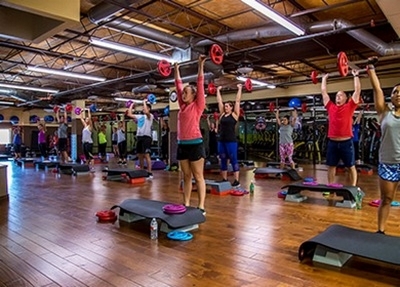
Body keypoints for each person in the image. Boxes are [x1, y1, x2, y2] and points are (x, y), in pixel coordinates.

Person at [367, 59, 400, 234]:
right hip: (388, 162)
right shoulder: (384, 113)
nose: (398, 94)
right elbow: (377, 89)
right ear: (391, 96)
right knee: (386, 199)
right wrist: (371, 70)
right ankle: (380, 231)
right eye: (395, 92)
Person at [174, 55, 206, 214]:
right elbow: (178, 85)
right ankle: (186, 204)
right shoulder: (181, 106)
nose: (183, 94)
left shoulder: (198, 105)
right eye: (183, 93)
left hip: (195, 144)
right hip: (182, 145)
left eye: (186, 93)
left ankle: (201, 206)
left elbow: (200, 84)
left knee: (198, 176)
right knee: (186, 177)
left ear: (193, 95)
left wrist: (200, 64)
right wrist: (176, 69)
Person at [321, 70, 360, 186]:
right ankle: (331, 186)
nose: (338, 96)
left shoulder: (350, 106)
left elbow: (357, 91)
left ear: (346, 98)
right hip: (332, 142)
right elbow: (324, 92)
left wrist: (356, 76)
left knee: (351, 166)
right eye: (336, 95)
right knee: (331, 166)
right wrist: (324, 79)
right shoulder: (330, 107)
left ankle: (353, 188)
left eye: (340, 95)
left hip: (346, 142)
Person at [216, 84, 242, 187]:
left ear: (231, 108)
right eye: (225, 106)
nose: (225, 107)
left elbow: (238, 101)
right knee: (223, 159)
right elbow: (219, 101)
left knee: (233, 160)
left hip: (231, 141)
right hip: (222, 140)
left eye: (227, 106)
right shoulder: (222, 114)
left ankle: (236, 181)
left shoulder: (234, 115)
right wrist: (218, 90)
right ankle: (224, 178)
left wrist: (240, 88)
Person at [127, 100, 154, 178]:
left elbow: (146, 112)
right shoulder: (140, 117)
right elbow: (129, 114)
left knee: (147, 155)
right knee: (140, 155)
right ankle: (142, 171)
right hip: (139, 137)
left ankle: (149, 173)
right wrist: (131, 105)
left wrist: (144, 102)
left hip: (147, 137)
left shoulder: (150, 116)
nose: (143, 108)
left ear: (149, 109)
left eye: (145, 107)